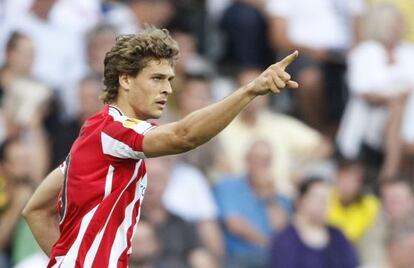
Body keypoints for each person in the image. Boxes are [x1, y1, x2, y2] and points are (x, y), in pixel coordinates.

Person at [21, 27, 299, 267]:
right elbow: (184, 135)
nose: (167, 89)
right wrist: (250, 90)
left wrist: (68, 262)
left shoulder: (95, 133)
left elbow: (35, 209)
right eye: (157, 78)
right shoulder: (113, 130)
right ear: (125, 79)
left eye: (170, 80)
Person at [214, 139, 292, 268]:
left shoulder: (279, 198)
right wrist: (269, 244)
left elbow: (281, 233)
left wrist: (269, 197)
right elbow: (234, 224)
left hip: (272, 258)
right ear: (246, 159)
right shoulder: (229, 184)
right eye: (256, 158)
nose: (260, 164)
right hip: (239, 256)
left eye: (265, 160)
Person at [269, 178, 359, 268]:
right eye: (318, 197)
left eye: (328, 198)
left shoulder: (337, 236)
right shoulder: (285, 239)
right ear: (300, 201)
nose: (324, 203)